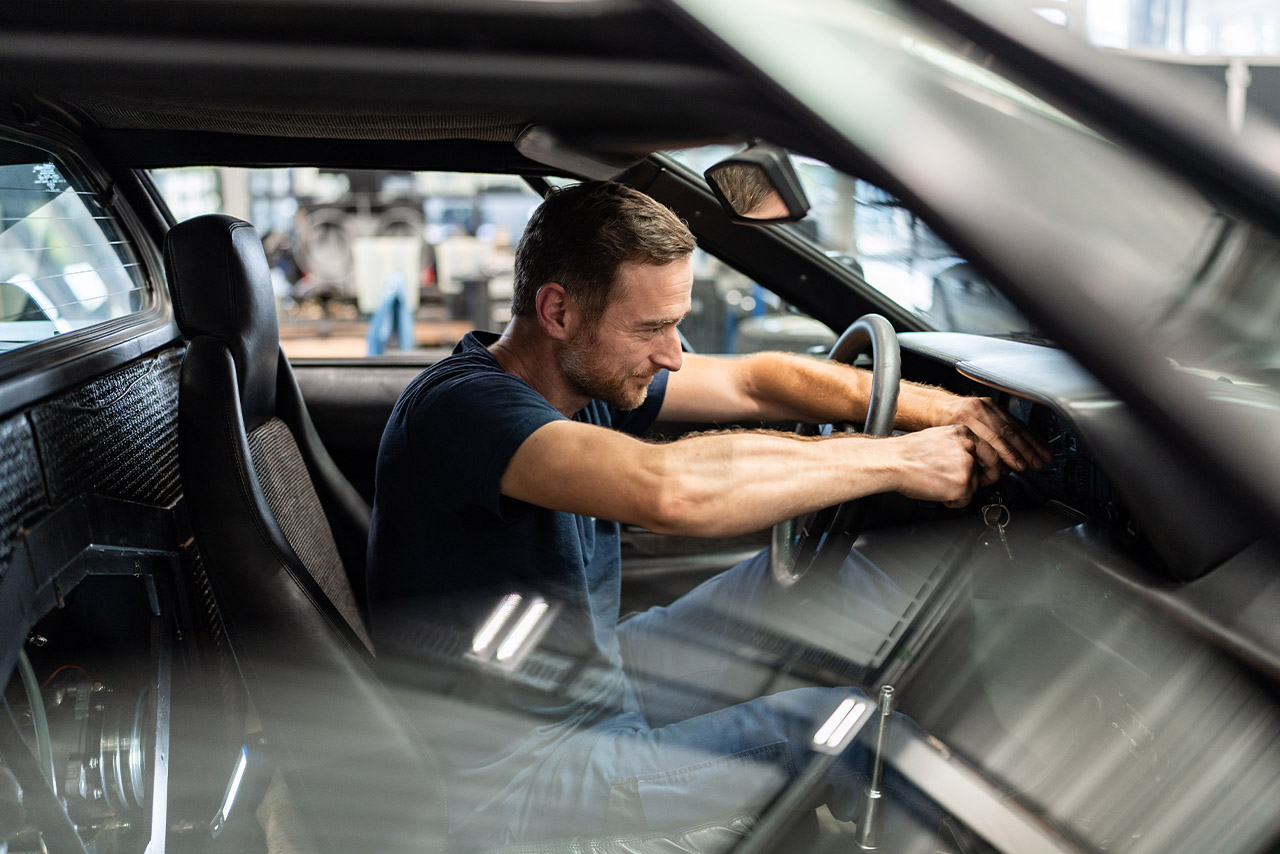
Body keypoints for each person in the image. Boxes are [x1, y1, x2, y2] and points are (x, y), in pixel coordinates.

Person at [366, 181, 1050, 849]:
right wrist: (899, 462)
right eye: (653, 327)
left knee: (845, 582)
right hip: (519, 781)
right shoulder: (464, 410)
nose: (671, 352)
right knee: (860, 737)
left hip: (582, 678)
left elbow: (757, 380)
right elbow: (668, 490)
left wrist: (948, 411)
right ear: (558, 312)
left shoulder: (583, 372)